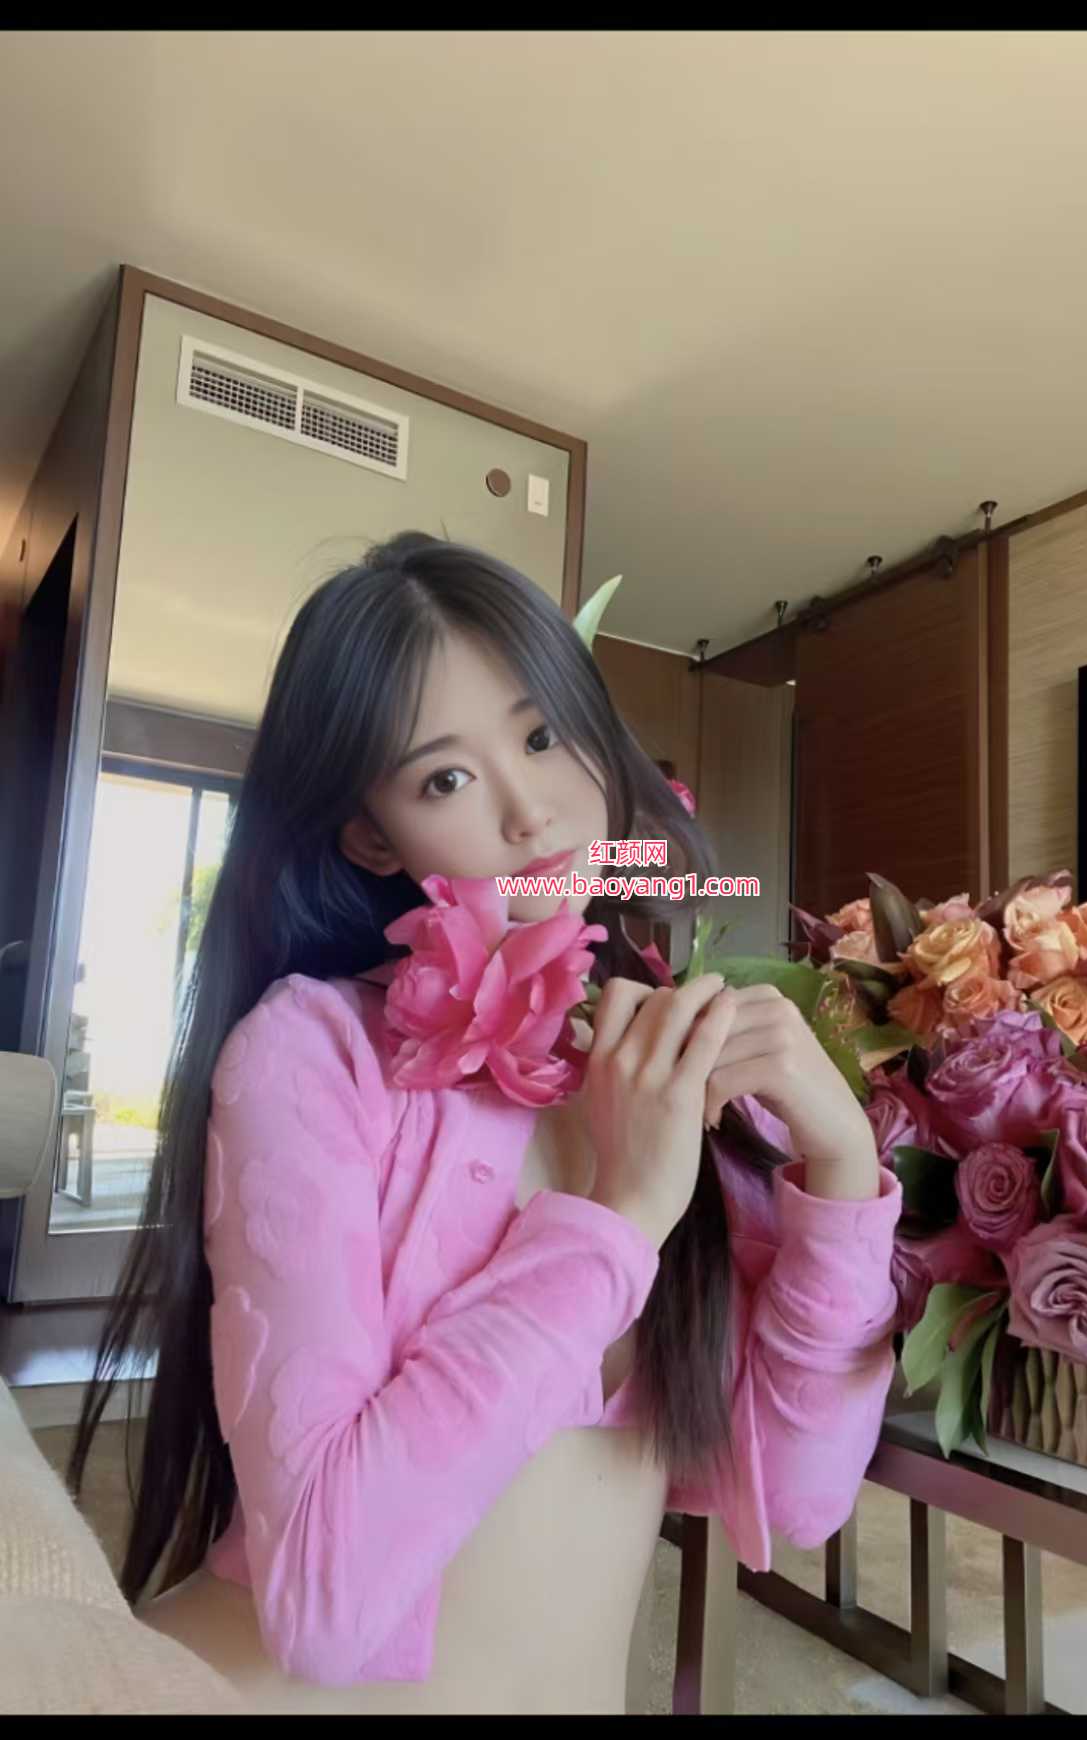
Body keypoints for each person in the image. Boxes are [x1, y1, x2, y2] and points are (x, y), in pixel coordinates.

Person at [66, 533, 901, 1713]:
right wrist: (619, 1218)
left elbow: (801, 1499)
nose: (529, 811)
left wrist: (841, 1168)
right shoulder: (309, 1050)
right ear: (372, 834)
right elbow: (324, 1601)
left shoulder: (664, 1065)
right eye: (444, 780)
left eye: (543, 736)